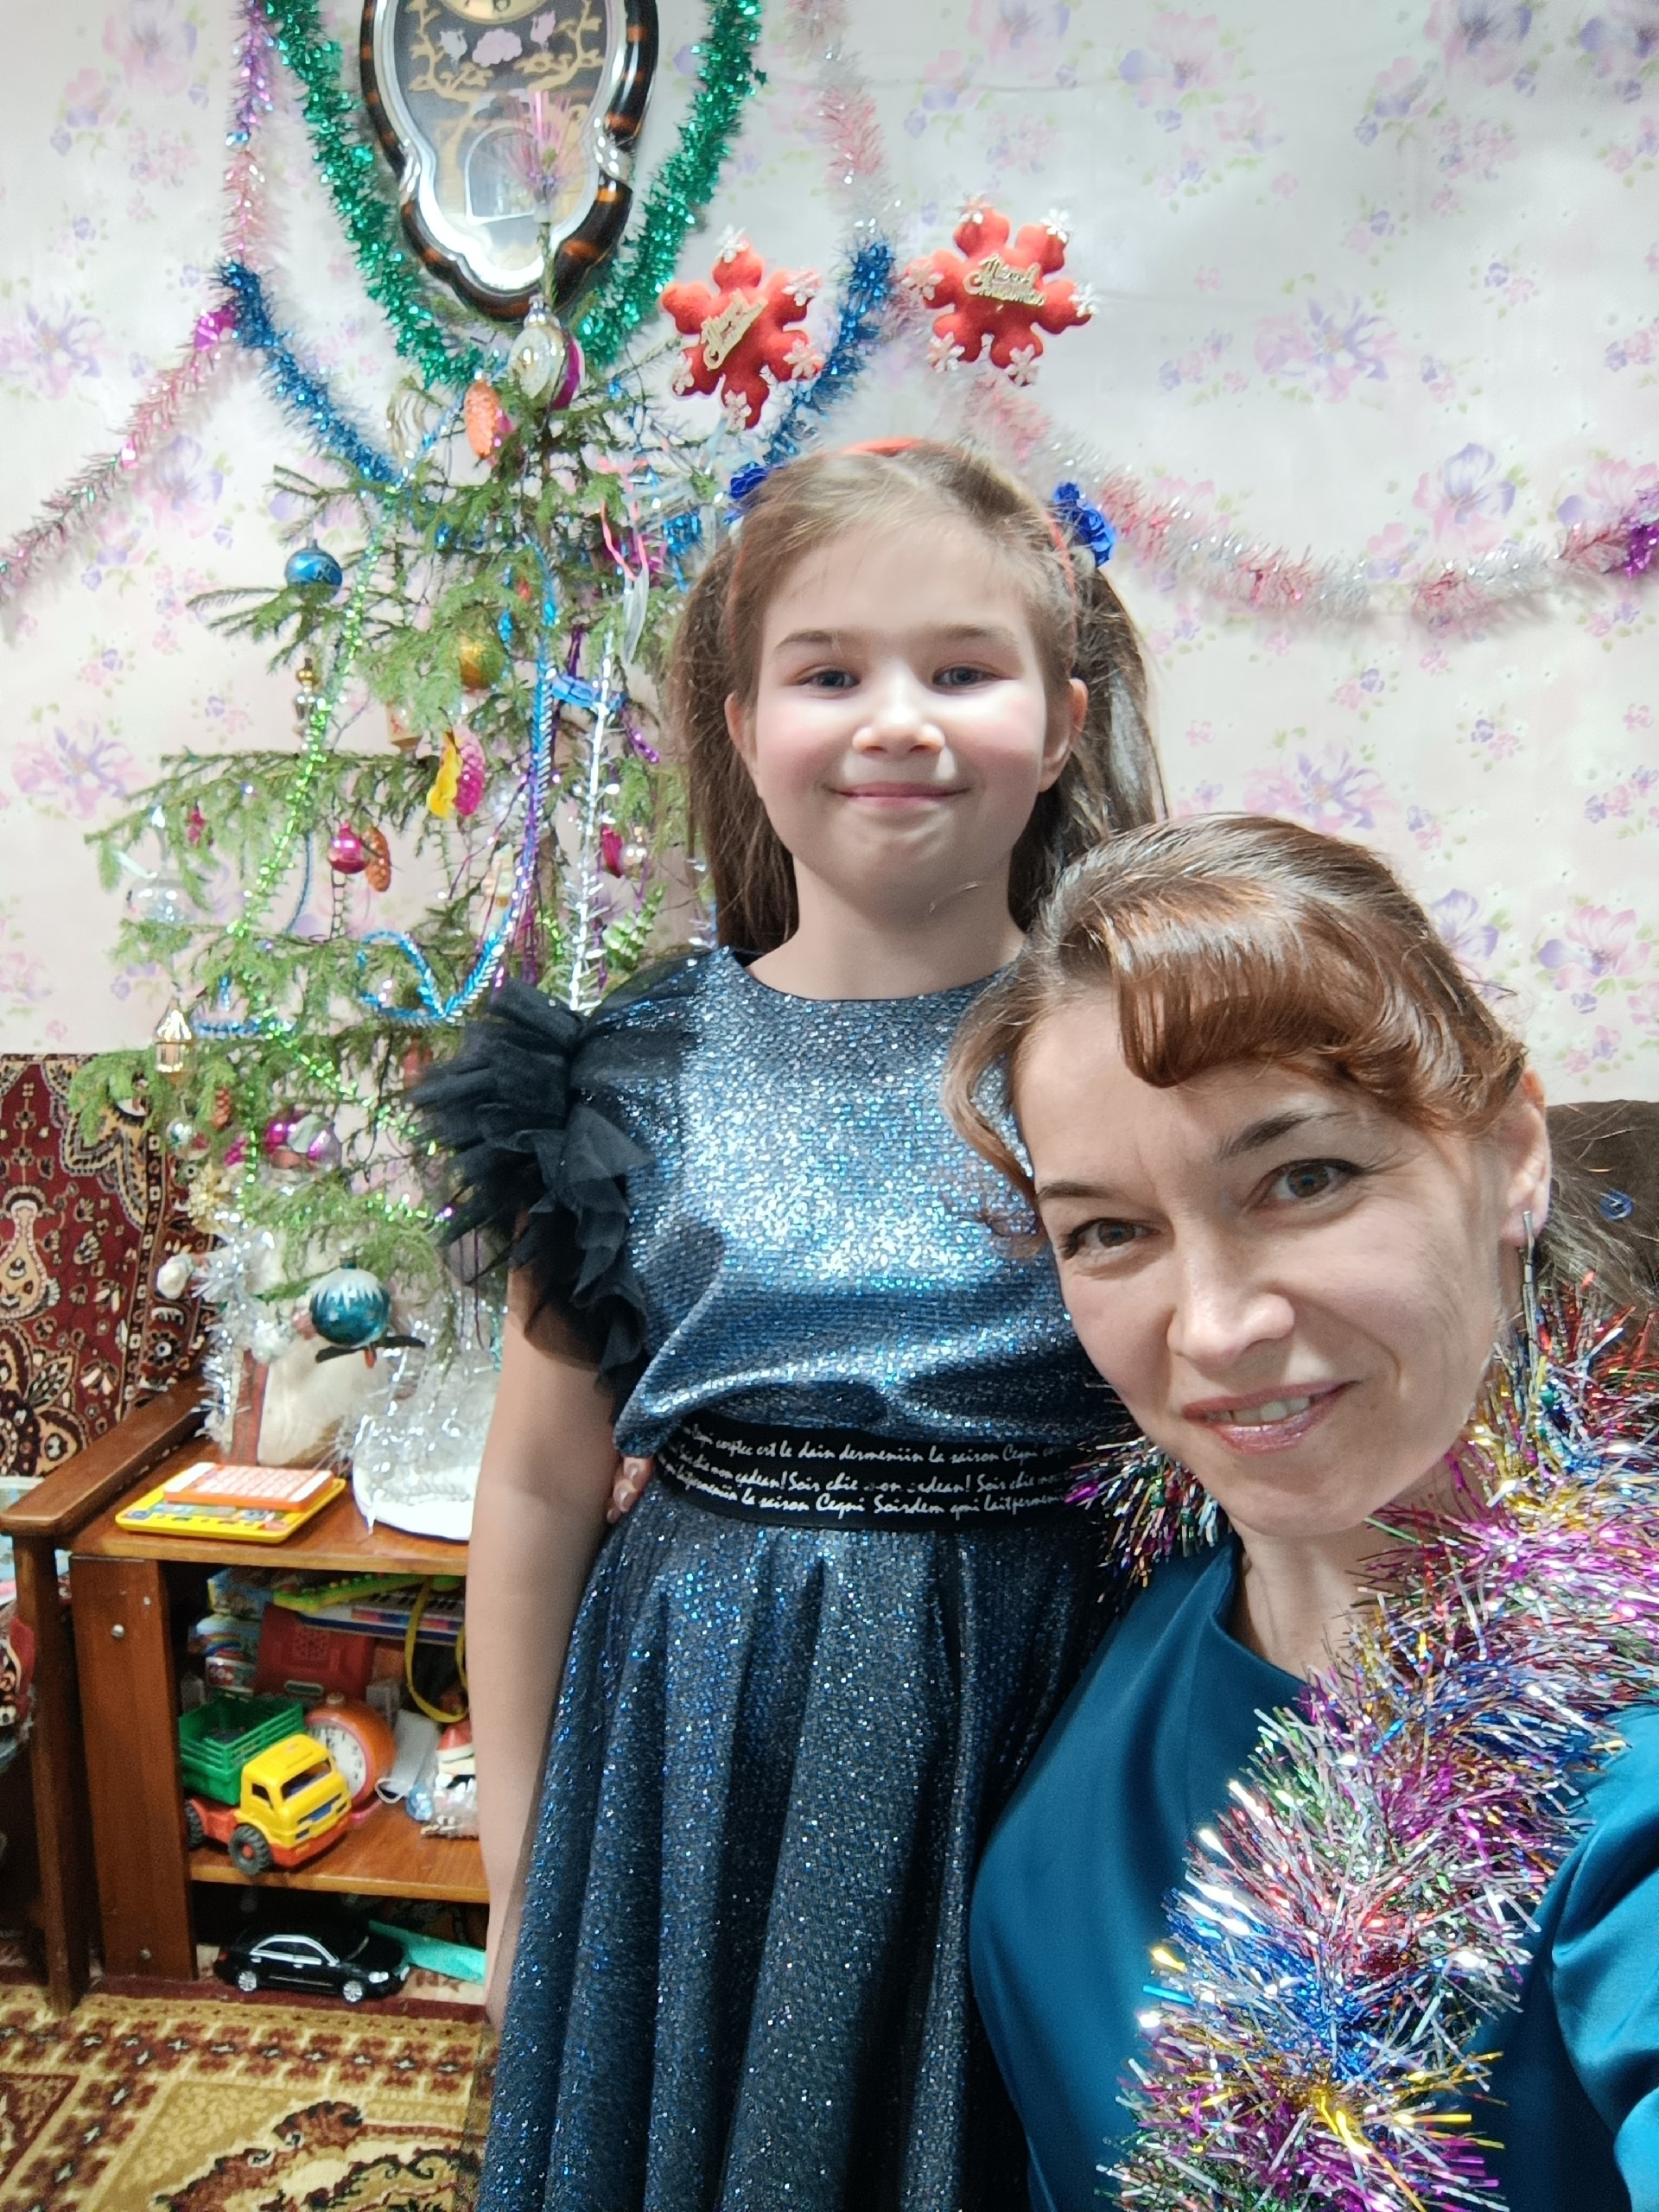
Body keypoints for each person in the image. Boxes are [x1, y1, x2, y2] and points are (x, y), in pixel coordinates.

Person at [416, 441, 1166, 2210]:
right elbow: (537, 1488)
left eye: (960, 669)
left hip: (1037, 1720)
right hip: (699, 1732)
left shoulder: (1137, 1055)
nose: (896, 720)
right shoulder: (625, 1083)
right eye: (830, 674)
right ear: (746, 727)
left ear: (1061, 723)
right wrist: (518, 1865)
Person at [944, 813, 1659, 2212]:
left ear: (1511, 1153)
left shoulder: (1619, 1733)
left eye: (1306, 1179)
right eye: (1110, 1231)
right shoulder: (1155, 1583)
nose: (1214, 1328)